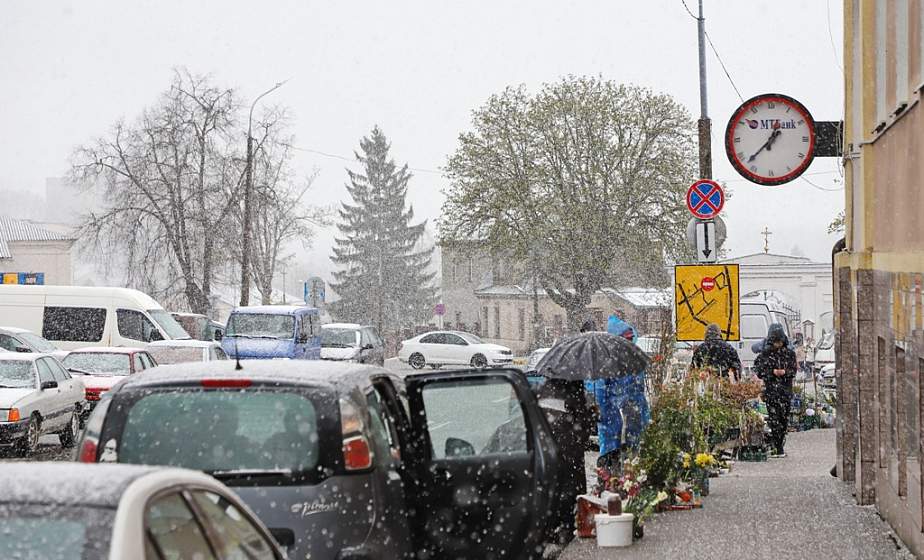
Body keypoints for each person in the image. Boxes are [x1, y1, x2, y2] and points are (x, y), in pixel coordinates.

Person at [537, 378, 592, 545]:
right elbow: (581, 422)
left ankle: (551, 526)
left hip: (548, 442)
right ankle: (568, 526)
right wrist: (592, 416)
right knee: (571, 485)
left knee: (553, 484)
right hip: (568, 442)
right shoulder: (574, 385)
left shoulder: (546, 386)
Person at [593, 315, 649, 471]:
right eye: (626, 338)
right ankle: (611, 476)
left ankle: (628, 475)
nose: (630, 341)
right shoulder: (608, 360)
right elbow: (601, 388)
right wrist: (605, 407)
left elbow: (639, 386)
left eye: (631, 338)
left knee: (632, 446)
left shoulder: (632, 356)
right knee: (612, 447)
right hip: (613, 411)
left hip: (632, 410)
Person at [754, 323, 797, 458]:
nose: (778, 345)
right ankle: (778, 447)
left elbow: (793, 370)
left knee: (783, 419)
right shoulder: (765, 354)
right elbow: (760, 371)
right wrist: (772, 372)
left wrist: (785, 372)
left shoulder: (789, 354)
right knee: (774, 419)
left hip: (784, 391)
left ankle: (779, 444)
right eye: (776, 342)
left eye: (779, 342)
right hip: (772, 390)